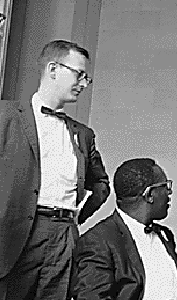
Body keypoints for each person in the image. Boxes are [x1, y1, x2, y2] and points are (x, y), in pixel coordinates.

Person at [0, 39, 110, 300]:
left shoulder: (83, 134)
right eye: (79, 74)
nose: (83, 84)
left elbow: (101, 185)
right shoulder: (6, 116)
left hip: (64, 236)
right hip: (16, 233)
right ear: (52, 69)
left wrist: (76, 218)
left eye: (87, 78)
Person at [72, 158, 177, 300]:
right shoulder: (97, 241)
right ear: (150, 195)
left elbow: (164, 284)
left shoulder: (165, 235)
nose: (169, 192)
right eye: (165, 186)